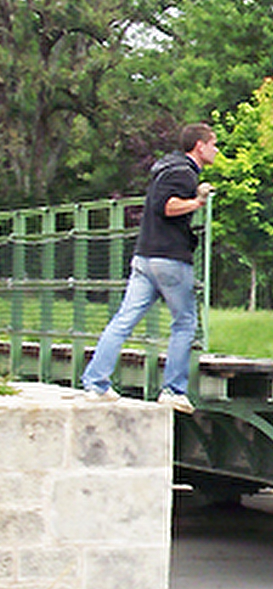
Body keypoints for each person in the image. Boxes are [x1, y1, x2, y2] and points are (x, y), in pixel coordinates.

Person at [80, 123, 218, 412]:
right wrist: (198, 201)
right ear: (199, 146)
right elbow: (167, 206)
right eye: (213, 144)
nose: (216, 150)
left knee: (124, 320)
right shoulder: (183, 172)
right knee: (184, 323)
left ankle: (96, 383)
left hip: (144, 257)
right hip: (170, 259)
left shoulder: (165, 168)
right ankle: (173, 389)